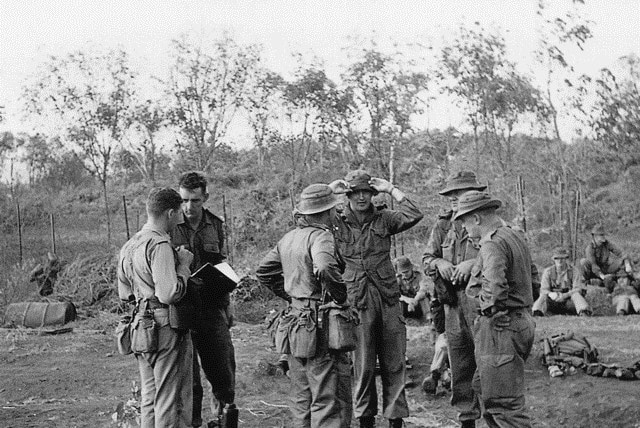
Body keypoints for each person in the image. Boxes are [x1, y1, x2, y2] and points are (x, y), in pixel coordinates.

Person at [330, 170, 423, 428]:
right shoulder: (335, 221)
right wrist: (329, 191)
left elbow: (415, 214)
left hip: (388, 297)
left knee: (395, 362)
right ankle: (366, 420)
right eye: (355, 192)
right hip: (357, 301)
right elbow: (305, 217)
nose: (361, 197)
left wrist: (392, 189)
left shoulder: (385, 218)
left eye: (366, 192)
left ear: (373, 194)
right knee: (363, 365)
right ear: (347, 195)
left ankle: (395, 419)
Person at [256, 183, 352, 428]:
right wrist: (339, 297)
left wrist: (291, 297)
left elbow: (264, 272)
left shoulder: (289, 238)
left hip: (296, 324)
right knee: (328, 399)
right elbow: (325, 267)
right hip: (319, 325)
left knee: (302, 400)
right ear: (329, 211)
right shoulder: (322, 236)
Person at [455, 190, 536, 428]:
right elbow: (534, 278)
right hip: (519, 322)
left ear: (477, 218)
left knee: (505, 407)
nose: (465, 229)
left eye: (465, 222)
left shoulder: (492, 243)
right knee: (487, 393)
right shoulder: (515, 235)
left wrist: (490, 311)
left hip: (501, 330)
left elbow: (493, 290)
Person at [117, 187, 194, 428]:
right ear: (170, 213)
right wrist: (183, 266)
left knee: (149, 398)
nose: (180, 218)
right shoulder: (159, 244)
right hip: (163, 327)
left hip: (140, 325)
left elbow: (124, 294)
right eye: (179, 213)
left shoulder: (130, 245)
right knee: (168, 399)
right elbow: (168, 293)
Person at [170, 172, 236, 428]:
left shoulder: (216, 225)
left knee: (223, 373)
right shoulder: (171, 226)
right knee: (190, 380)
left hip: (212, 308)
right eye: (184, 200)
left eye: (194, 200)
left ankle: (223, 420)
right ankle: (193, 423)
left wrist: (228, 304)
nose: (188, 207)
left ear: (205, 197)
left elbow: (224, 266)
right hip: (184, 310)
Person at [421, 171, 486, 428]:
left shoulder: (485, 221)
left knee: (487, 360)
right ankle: (467, 419)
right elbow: (427, 259)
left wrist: (473, 263)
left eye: (460, 194)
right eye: (451, 195)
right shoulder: (443, 226)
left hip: (481, 302)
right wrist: (440, 262)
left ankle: (493, 416)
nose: (454, 200)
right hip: (452, 304)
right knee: (459, 363)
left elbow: (499, 254)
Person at [532, 247, 591, 317]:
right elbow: (543, 289)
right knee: (543, 296)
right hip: (552, 302)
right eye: (557, 258)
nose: (560, 261)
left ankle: (584, 311)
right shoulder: (548, 272)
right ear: (553, 259)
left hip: (569, 302)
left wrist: (565, 295)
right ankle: (536, 312)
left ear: (566, 259)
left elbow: (578, 289)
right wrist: (550, 294)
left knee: (576, 294)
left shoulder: (574, 271)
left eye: (562, 258)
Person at [578, 224, 634, 292]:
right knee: (583, 262)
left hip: (605, 269)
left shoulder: (607, 244)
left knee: (621, 261)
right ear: (595, 236)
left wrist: (627, 264)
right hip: (594, 272)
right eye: (601, 235)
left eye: (603, 234)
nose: (603, 237)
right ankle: (586, 285)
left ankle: (627, 280)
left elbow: (621, 252)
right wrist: (603, 277)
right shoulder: (589, 248)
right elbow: (594, 266)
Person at [395, 256, 431, 320]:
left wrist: (414, 300)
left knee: (424, 298)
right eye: (403, 272)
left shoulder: (419, 276)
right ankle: (399, 319)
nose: (405, 274)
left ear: (411, 268)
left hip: (417, 304)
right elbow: (396, 294)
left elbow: (423, 291)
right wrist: (407, 300)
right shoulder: (398, 279)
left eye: (407, 271)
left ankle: (428, 317)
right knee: (398, 301)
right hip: (405, 305)